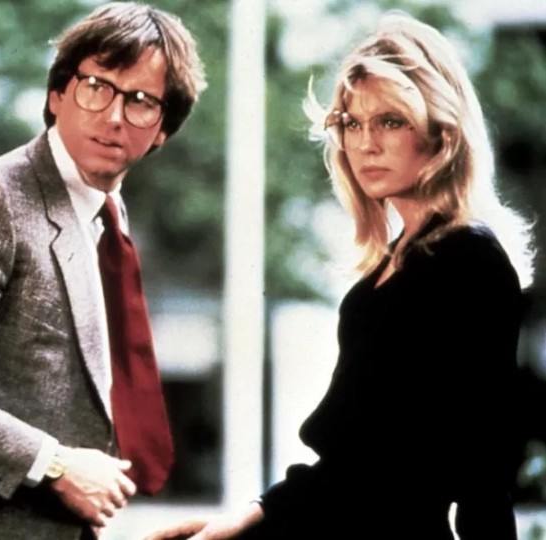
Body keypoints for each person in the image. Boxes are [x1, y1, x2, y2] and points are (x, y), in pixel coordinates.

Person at [144, 11, 533, 540]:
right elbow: (349, 462)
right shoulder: (392, 264)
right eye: (352, 124)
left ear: (441, 133)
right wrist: (247, 517)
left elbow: (481, 463)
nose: (365, 143)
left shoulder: (468, 261)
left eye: (390, 121)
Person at [0, 3, 206, 539]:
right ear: (57, 94)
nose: (114, 116)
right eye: (97, 87)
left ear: (163, 129)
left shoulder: (107, 217)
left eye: (141, 102)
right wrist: (51, 464)